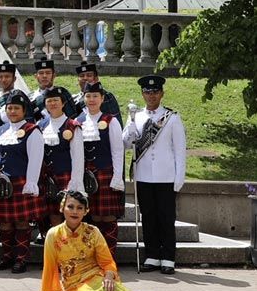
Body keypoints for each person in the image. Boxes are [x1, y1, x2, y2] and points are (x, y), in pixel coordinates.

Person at [34, 190, 183, 291]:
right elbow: (50, 265)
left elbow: (107, 261)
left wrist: (109, 277)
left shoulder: (93, 231)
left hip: (95, 277)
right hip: (73, 287)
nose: (75, 211)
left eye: (80, 208)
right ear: (62, 208)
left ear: (86, 211)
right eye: (70, 207)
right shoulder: (53, 234)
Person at [122, 75, 187, 274]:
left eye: (155, 92)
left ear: (162, 93)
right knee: (148, 216)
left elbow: (180, 150)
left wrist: (179, 178)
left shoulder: (172, 118)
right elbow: (125, 143)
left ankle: (168, 258)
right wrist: (131, 127)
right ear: (143, 94)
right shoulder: (136, 116)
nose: (151, 95)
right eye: (147, 92)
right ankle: (152, 255)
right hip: (143, 176)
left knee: (166, 217)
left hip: (166, 175)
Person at [0, 91, 44, 273]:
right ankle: (7, 256)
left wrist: (31, 183)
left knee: (22, 223)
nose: (12, 112)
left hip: (21, 182)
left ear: (24, 110)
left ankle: (21, 259)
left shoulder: (32, 130)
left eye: (16, 108)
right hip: (1, 184)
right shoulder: (1, 130)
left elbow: (35, 159)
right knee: (4, 223)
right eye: (10, 108)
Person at [77, 81, 125, 257]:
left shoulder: (111, 121)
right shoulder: (78, 122)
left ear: (102, 98)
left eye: (95, 96)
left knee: (108, 217)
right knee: (94, 217)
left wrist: (117, 177)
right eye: (88, 96)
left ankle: (109, 258)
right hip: (86, 176)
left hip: (106, 173)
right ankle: (95, 256)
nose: (91, 100)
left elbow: (118, 151)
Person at [37, 87, 84, 235]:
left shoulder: (72, 125)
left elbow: (78, 156)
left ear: (63, 103)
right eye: (49, 101)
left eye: (56, 100)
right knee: (49, 216)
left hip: (65, 176)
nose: (52, 103)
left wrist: (75, 183)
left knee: (67, 215)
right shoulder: (41, 125)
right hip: (45, 178)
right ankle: (52, 251)